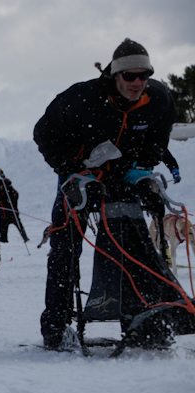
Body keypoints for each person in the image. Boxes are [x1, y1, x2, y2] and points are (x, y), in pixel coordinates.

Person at [34, 38, 193, 350]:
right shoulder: (82, 98)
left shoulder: (158, 98)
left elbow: (159, 135)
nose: (137, 83)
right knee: (65, 248)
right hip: (80, 174)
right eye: (129, 76)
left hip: (123, 175)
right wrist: (73, 170)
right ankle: (56, 326)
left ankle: (142, 320)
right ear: (114, 75)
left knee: (134, 243)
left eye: (143, 75)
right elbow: (44, 133)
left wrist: (142, 169)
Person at [0, 172, 29, 243]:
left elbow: (14, 198)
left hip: (12, 214)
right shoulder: (2, 191)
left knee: (20, 227)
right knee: (3, 234)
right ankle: (4, 239)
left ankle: (25, 238)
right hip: (3, 215)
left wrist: (2, 192)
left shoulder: (11, 192)